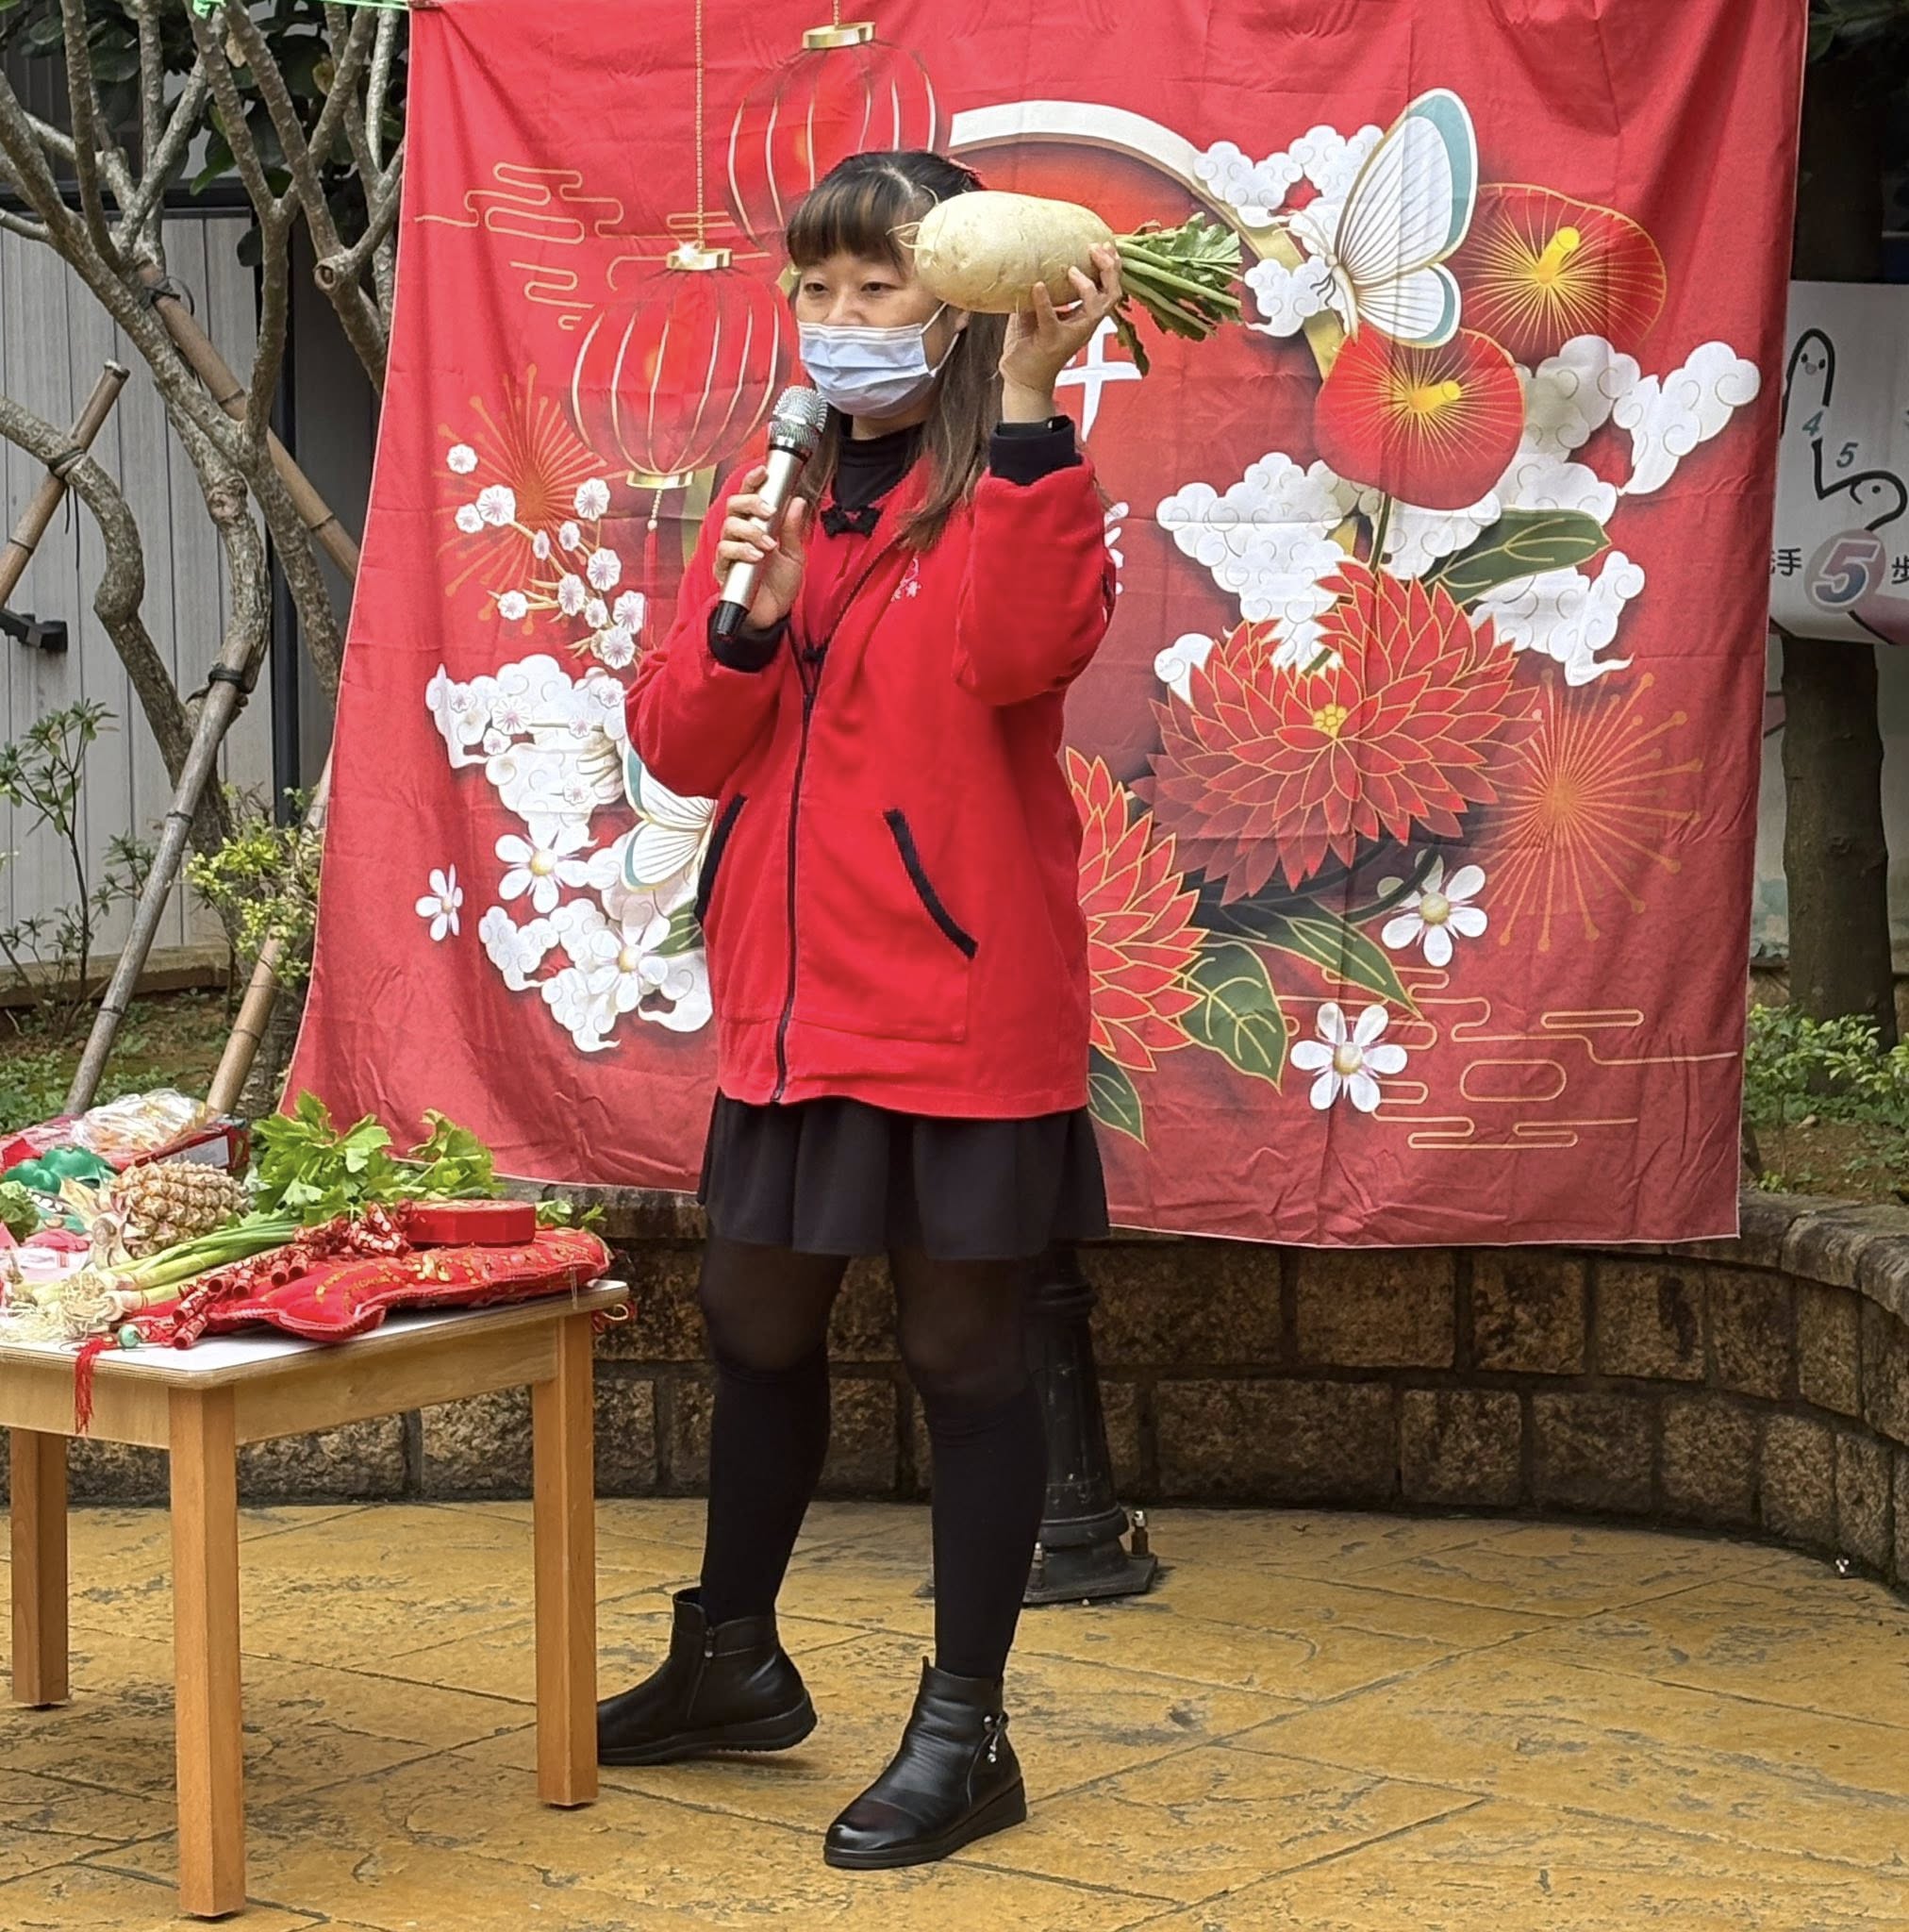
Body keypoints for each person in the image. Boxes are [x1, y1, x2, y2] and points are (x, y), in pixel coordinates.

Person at [600, 148, 1120, 1871]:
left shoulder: (1018, 482)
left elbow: (1015, 662)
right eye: (811, 290)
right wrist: (744, 619)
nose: (835, 323)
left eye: (874, 288)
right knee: (752, 1323)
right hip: (794, 1002)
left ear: (956, 303)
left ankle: (966, 1732)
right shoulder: (778, 488)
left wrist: (1036, 406)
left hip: (963, 999)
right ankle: (733, 1658)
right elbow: (681, 747)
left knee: (965, 1356)